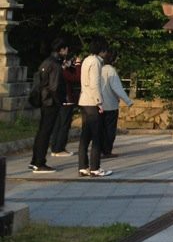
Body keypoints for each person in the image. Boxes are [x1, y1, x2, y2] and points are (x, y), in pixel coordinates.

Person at [28, 38, 68, 173]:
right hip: (51, 102)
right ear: (61, 50)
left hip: (43, 100)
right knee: (46, 132)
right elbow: (54, 87)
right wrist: (60, 101)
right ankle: (40, 162)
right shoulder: (55, 65)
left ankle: (35, 160)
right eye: (65, 49)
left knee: (41, 132)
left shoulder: (46, 62)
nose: (66, 52)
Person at [77, 40, 112, 177]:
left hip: (84, 100)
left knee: (85, 135)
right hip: (92, 102)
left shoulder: (86, 60)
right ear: (102, 50)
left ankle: (83, 166)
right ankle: (95, 167)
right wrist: (99, 102)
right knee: (97, 135)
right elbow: (95, 83)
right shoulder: (96, 62)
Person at [100, 49, 133, 158]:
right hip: (110, 105)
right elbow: (117, 88)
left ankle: (99, 150)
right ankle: (107, 151)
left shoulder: (99, 69)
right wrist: (128, 101)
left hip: (99, 104)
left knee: (101, 129)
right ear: (113, 59)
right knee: (110, 130)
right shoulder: (111, 71)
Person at [50, 52, 81, 157]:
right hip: (67, 100)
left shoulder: (55, 69)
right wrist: (78, 64)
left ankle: (54, 147)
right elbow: (77, 77)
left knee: (57, 124)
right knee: (64, 125)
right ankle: (60, 148)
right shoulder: (63, 71)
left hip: (58, 100)